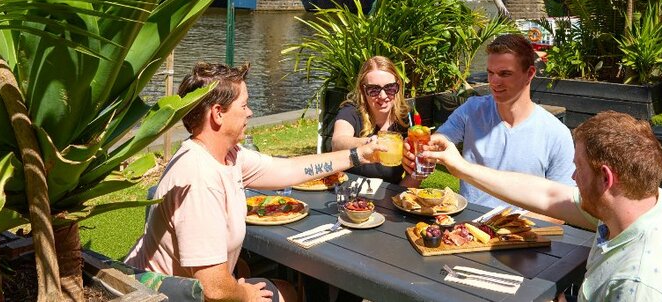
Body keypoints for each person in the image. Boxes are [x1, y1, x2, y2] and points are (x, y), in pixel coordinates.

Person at [125, 62, 383, 302]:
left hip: (194, 289)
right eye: (244, 105)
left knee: (278, 282)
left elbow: (289, 169)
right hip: (172, 297)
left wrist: (357, 155)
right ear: (218, 114)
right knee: (286, 292)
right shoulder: (199, 177)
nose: (250, 113)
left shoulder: (228, 155)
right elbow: (213, 287)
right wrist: (244, 294)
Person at [423, 111, 662, 301]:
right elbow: (548, 195)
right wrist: (459, 166)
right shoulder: (658, 205)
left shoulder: (637, 286)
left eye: (578, 167)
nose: (572, 176)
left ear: (605, 177)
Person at [402, 33, 575, 207]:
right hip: (468, 227)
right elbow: (441, 139)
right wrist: (424, 148)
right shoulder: (472, 110)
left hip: (523, 229)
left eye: (505, 73)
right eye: (490, 73)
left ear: (529, 74)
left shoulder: (556, 134)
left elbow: (563, 205)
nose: (494, 81)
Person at [330, 56, 411, 184]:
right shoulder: (351, 111)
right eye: (374, 90)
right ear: (363, 90)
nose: (383, 96)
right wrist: (368, 142)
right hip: (351, 195)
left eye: (390, 88)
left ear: (398, 87)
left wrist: (418, 173)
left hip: (389, 198)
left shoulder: (405, 120)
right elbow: (338, 142)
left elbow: (406, 182)